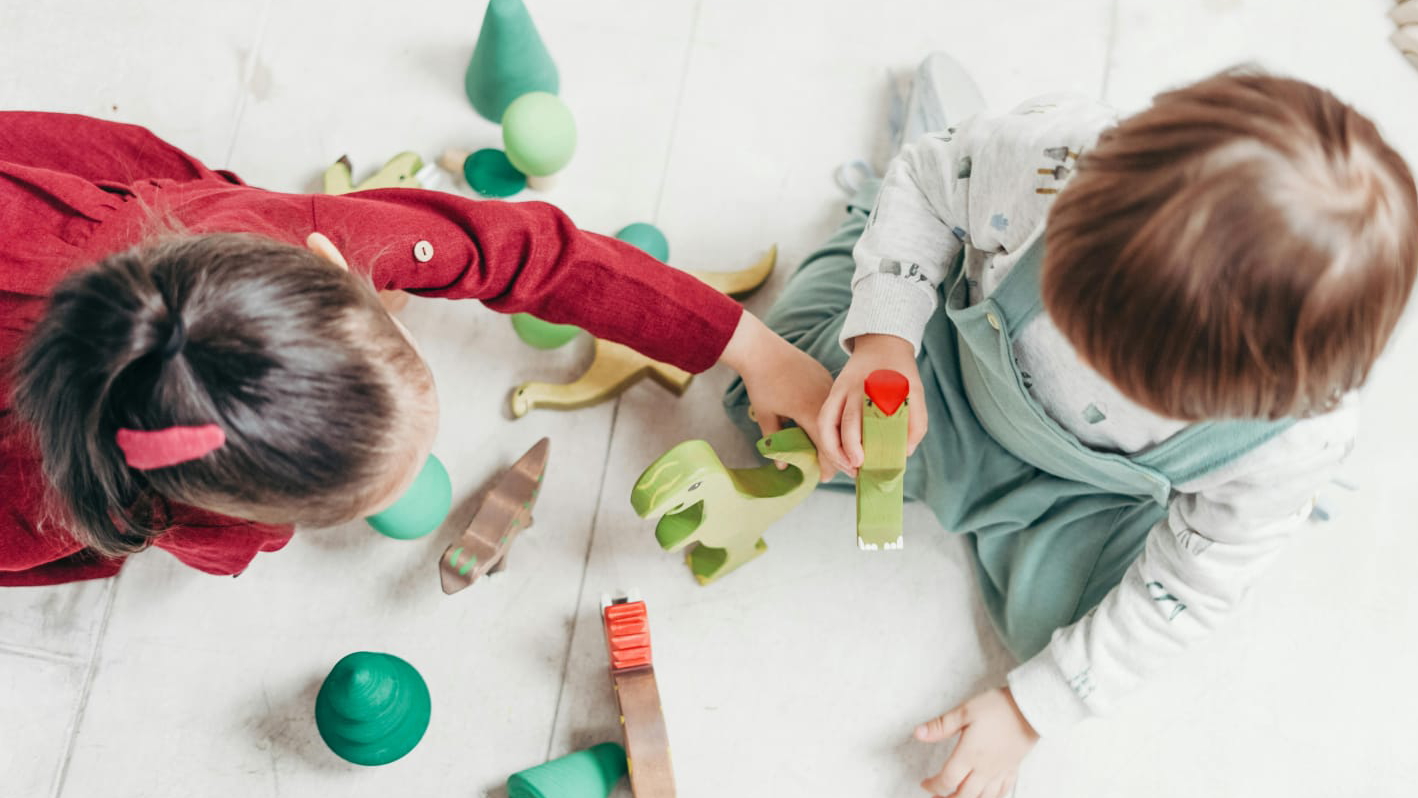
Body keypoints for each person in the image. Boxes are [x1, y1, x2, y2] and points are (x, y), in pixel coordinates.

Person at [725, 57, 1417, 797]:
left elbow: (1188, 587)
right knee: (765, 397)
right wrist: (885, 343)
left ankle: (1241, 524)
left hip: (1087, 498)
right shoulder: (1054, 163)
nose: (1092, 362)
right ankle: (889, 197)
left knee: (1076, 647)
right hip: (953, 376)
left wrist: (1028, 712)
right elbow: (930, 186)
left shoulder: (1295, 439)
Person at [0, 111, 833, 586]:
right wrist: (244, 537)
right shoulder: (57, 512)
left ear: (332, 263)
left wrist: (750, 347)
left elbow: (527, 250)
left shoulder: (293, 232)